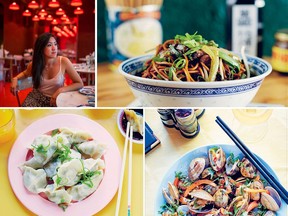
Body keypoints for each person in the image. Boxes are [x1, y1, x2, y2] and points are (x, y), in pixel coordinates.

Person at [10, 32, 83, 107]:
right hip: (35, 98)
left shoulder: (63, 61)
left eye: (55, 44)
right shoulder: (34, 64)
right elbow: (25, 74)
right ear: (41, 48)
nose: (54, 48)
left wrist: (60, 90)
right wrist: (15, 78)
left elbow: (79, 83)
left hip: (56, 100)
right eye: (49, 45)